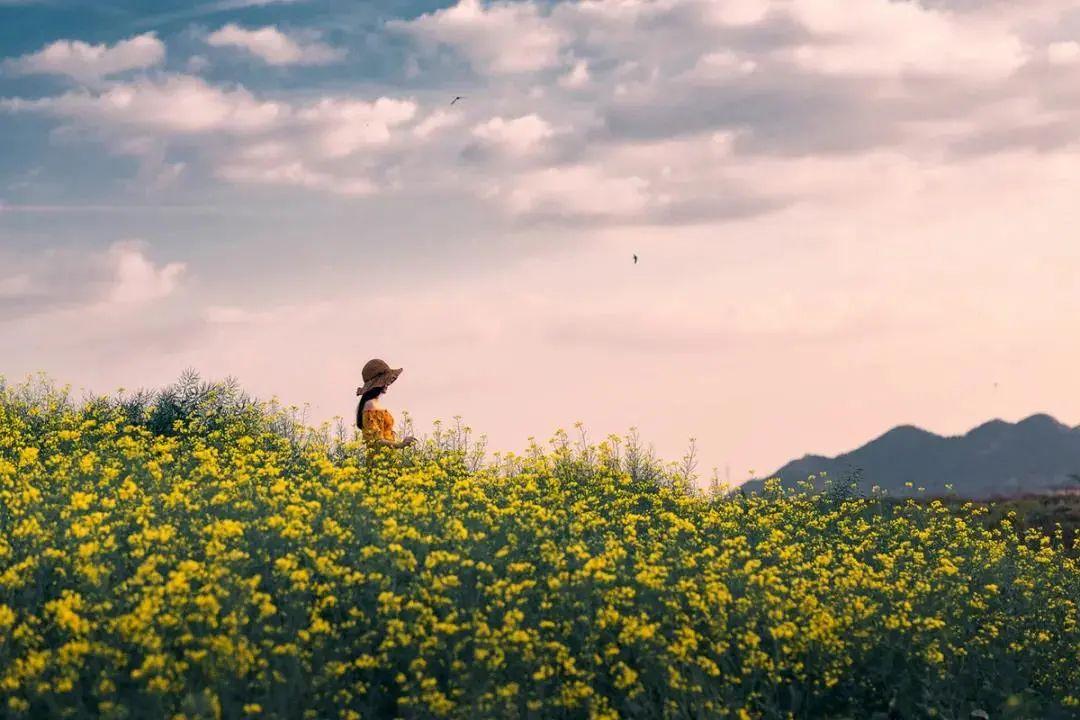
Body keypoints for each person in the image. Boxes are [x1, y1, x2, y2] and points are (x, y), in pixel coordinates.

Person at [356, 358, 417, 450]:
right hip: (377, 460)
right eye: (384, 381)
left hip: (387, 458)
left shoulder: (373, 404)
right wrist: (400, 445)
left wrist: (401, 443)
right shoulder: (370, 405)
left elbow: (385, 436)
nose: (387, 384)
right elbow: (375, 441)